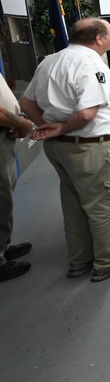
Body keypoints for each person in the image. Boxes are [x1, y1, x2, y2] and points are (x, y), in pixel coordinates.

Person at [20, 18, 110, 282]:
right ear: (99, 38)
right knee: (106, 204)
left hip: (62, 149)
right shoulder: (89, 64)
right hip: (92, 148)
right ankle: (108, 262)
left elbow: (26, 101)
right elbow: (88, 113)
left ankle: (80, 260)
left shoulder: (50, 61)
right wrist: (61, 128)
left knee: (75, 204)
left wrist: (48, 126)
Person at [0, 77, 35, 282]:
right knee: (1, 198)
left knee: (6, 195)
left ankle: (3, 245)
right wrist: (23, 123)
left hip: (5, 132)